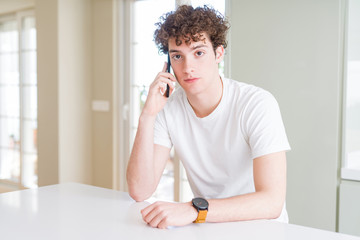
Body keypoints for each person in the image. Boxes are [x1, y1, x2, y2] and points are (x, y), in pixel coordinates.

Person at [126, 5, 291, 229]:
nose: (187, 67)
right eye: (177, 56)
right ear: (168, 63)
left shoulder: (257, 104)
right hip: (209, 226)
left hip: (262, 228)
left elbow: (272, 202)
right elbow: (140, 190)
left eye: (199, 53)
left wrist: (194, 209)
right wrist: (147, 116)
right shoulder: (167, 108)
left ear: (218, 53)